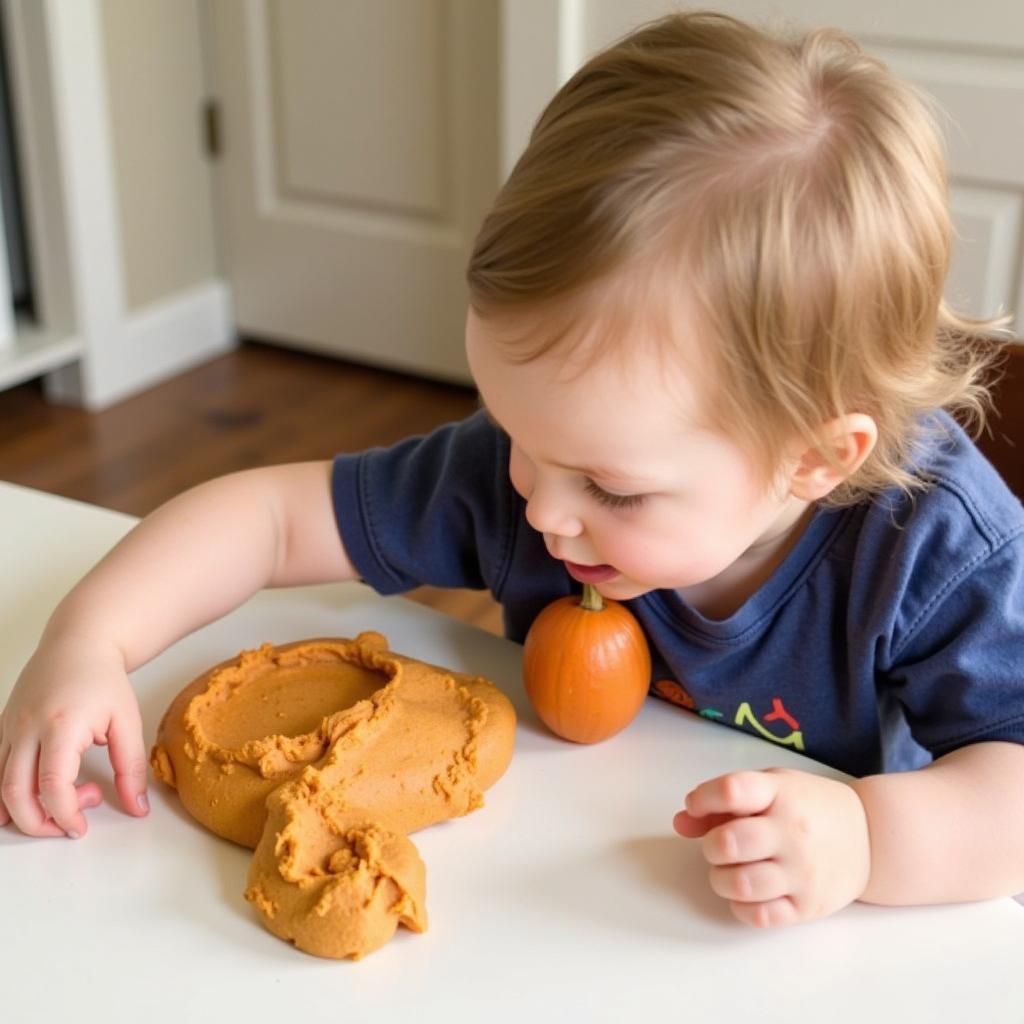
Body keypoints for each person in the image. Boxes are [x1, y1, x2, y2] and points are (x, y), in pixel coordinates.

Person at [2, 10, 1022, 928]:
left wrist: (867, 840)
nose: (540, 506)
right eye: (515, 432)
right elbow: (269, 519)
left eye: (611, 489)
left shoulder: (931, 547)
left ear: (811, 456)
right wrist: (91, 636)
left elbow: (1009, 790)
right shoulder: (532, 469)